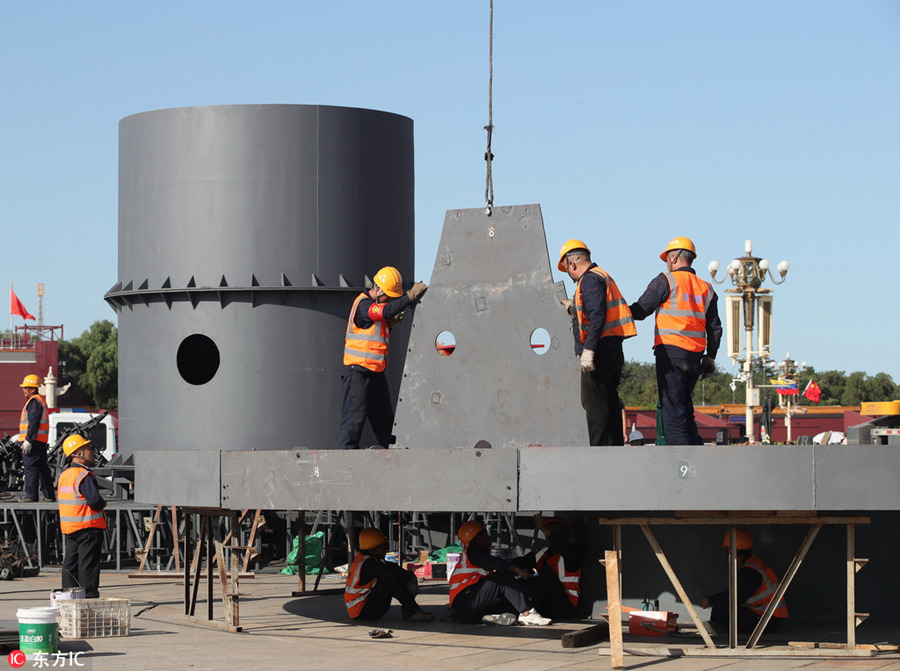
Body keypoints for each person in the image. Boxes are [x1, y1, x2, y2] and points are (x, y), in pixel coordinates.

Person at [629, 237, 722, 445]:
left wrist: (616, 310)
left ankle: (681, 464)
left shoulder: (665, 280)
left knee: (672, 409)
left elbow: (641, 310)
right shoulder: (706, 288)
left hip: (670, 353)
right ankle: (694, 450)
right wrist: (710, 358)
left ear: (674, 257)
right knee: (684, 406)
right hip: (694, 357)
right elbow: (715, 328)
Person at [338, 266, 427, 450]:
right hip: (358, 374)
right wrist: (409, 297)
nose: (389, 301)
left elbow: (375, 333)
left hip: (375, 374)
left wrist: (391, 324)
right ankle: (345, 468)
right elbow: (382, 312)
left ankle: (389, 464)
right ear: (377, 289)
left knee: (386, 428)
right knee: (352, 427)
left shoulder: (375, 308)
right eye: (388, 296)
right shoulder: (363, 305)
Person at [558, 240, 636, 446]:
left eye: (566, 269)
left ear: (572, 264)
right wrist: (574, 308)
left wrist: (589, 350)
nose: (568, 273)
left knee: (594, 405)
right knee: (608, 403)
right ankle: (613, 452)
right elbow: (594, 309)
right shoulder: (601, 276)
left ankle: (600, 455)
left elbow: (597, 315)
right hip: (612, 349)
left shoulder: (590, 280)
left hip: (599, 351)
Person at [448, 520, 552, 626]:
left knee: (509, 598)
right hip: (465, 602)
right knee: (502, 578)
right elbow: (497, 564)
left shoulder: (477, 552)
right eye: (485, 533)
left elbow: (502, 564)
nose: (489, 536)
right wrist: (517, 570)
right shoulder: (474, 551)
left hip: (466, 609)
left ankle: (493, 617)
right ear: (479, 537)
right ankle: (527, 614)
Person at [700, 529, 788, 634]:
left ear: (731, 551)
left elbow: (736, 598)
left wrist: (710, 600)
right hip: (768, 617)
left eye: (727, 549)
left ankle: (722, 629)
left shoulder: (750, 571)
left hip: (766, 621)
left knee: (720, 609)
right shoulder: (753, 564)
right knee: (721, 605)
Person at [344, 527, 434, 622]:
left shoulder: (366, 560)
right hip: (362, 611)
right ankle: (412, 611)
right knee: (389, 580)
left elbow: (390, 568)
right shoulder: (368, 564)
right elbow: (392, 575)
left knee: (390, 572)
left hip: (361, 609)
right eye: (384, 546)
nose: (386, 549)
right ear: (374, 549)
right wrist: (409, 579)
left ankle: (411, 610)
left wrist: (409, 575)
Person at [57, 435, 107, 598]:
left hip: (71, 529)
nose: (92, 452)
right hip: (88, 528)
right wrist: (102, 504)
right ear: (79, 453)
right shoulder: (84, 475)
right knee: (88, 565)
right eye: (89, 449)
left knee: (70, 564)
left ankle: (68, 596)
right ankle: (89, 597)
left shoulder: (64, 475)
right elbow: (95, 501)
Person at [514, 515, 581, 619]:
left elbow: (563, 546)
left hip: (563, 604)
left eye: (553, 531)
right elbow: (518, 563)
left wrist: (545, 530)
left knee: (544, 572)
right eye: (547, 531)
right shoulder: (542, 553)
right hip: (543, 603)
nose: (549, 533)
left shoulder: (572, 552)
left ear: (565, 534)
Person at [15, 374, 54, 502]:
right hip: (40, 442)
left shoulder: (33, 402)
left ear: (32, 389)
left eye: (26, 387)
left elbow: (33, 423)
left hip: (34, 442)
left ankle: (31, 496)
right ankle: (49, 495)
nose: (23, 390)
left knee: (30, 467)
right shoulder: (39, 401)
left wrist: (28, 440)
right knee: (42, 468)